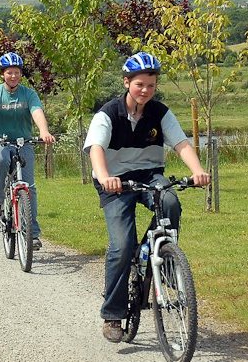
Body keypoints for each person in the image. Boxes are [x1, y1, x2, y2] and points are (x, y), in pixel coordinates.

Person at [83, 51, 211, 343]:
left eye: (151, 85)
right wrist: (104, 177)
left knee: (170, 201)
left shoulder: (160, 112)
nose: (145, 90)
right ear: (126, 82)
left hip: (149, 175)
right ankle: (113, 314)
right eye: (139, 84)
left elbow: (181, 144)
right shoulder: (108, 114)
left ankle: (162, 257)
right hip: (114, 181)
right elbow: (96, 149)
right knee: (121, 245)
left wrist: (198, 171)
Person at [0, 51, 55, 251]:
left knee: (29, 187)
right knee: (0, 160)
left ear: (21, 73)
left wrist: (44, 131)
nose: (13, 76)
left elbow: (36, 112)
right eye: (9, 72)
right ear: (2, 74)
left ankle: (33, 234)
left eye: (16, 72)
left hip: (24, 142)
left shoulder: (28, 94)